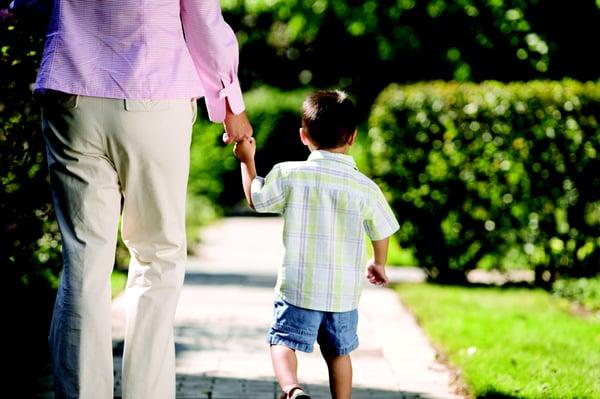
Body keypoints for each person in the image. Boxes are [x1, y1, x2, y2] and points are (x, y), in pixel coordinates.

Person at [24, 0, 253, 397]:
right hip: (154, 92)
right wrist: (230, 101)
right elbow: (201, 17)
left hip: (71, 90)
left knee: (84, 259)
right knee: (158, 256)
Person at [233, 90, 399, 399]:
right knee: (339, 352)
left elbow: (257, 199)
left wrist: (248, 161)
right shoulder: (365, 187)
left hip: (298, 287)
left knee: (282, 340)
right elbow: (382, 229)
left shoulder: (289, 174)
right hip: (343, 294)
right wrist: (379, 262)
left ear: (303, 135)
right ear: (352, 137)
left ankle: (292, 389)